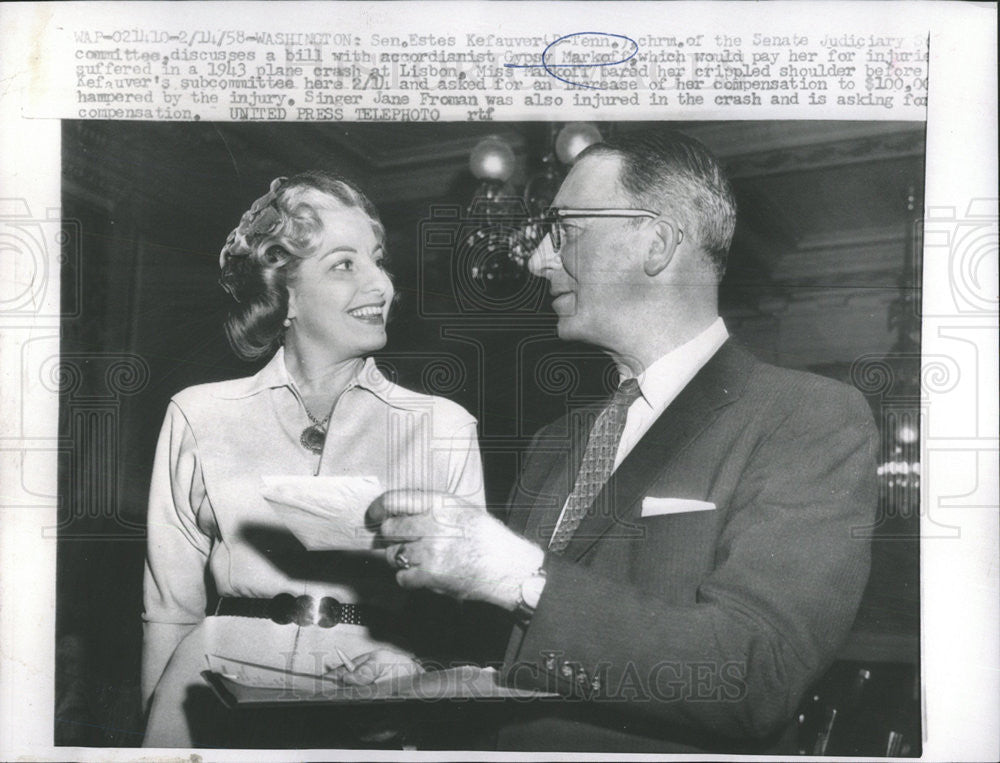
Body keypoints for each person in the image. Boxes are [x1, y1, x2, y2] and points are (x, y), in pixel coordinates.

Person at [370, 130, 879, 754]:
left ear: (657, 243)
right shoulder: (554, 440)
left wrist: (512, 571)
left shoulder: (807, 417)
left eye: (564, 231)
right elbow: (526, 644)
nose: (537, 261)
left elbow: (757, 675)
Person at [141, 171, 485, 747]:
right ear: (286, 292)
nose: (382, 285)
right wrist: (152, 735)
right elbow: (168, 608)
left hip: (374, 693)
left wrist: (415, 678)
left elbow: (466, 608)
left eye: (379, 261)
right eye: (346, 264)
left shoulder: (443, 427)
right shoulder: (199, 414)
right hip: (211, 689)